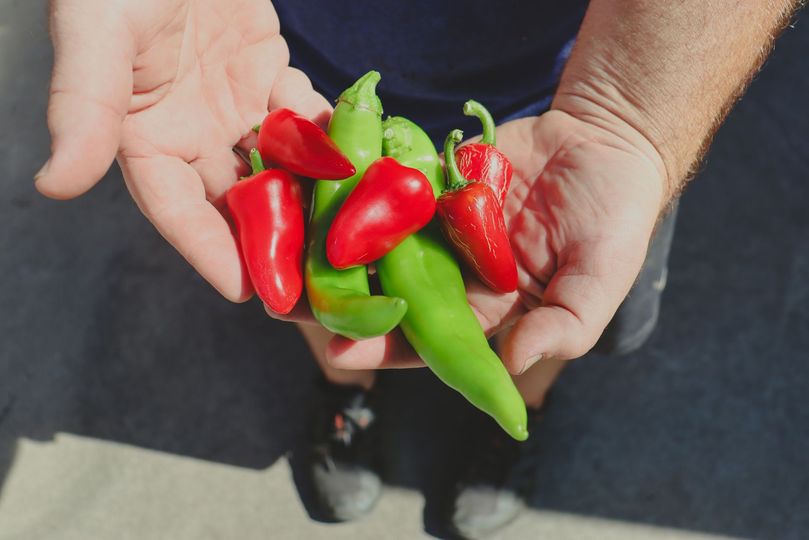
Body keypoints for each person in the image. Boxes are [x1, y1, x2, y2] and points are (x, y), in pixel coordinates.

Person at [36, 0, 800, 537]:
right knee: (317, 272)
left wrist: (633, 110)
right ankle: (347, 400)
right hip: (282, 55)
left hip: (580, 90)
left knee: (537, 294)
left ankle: (510, 421)